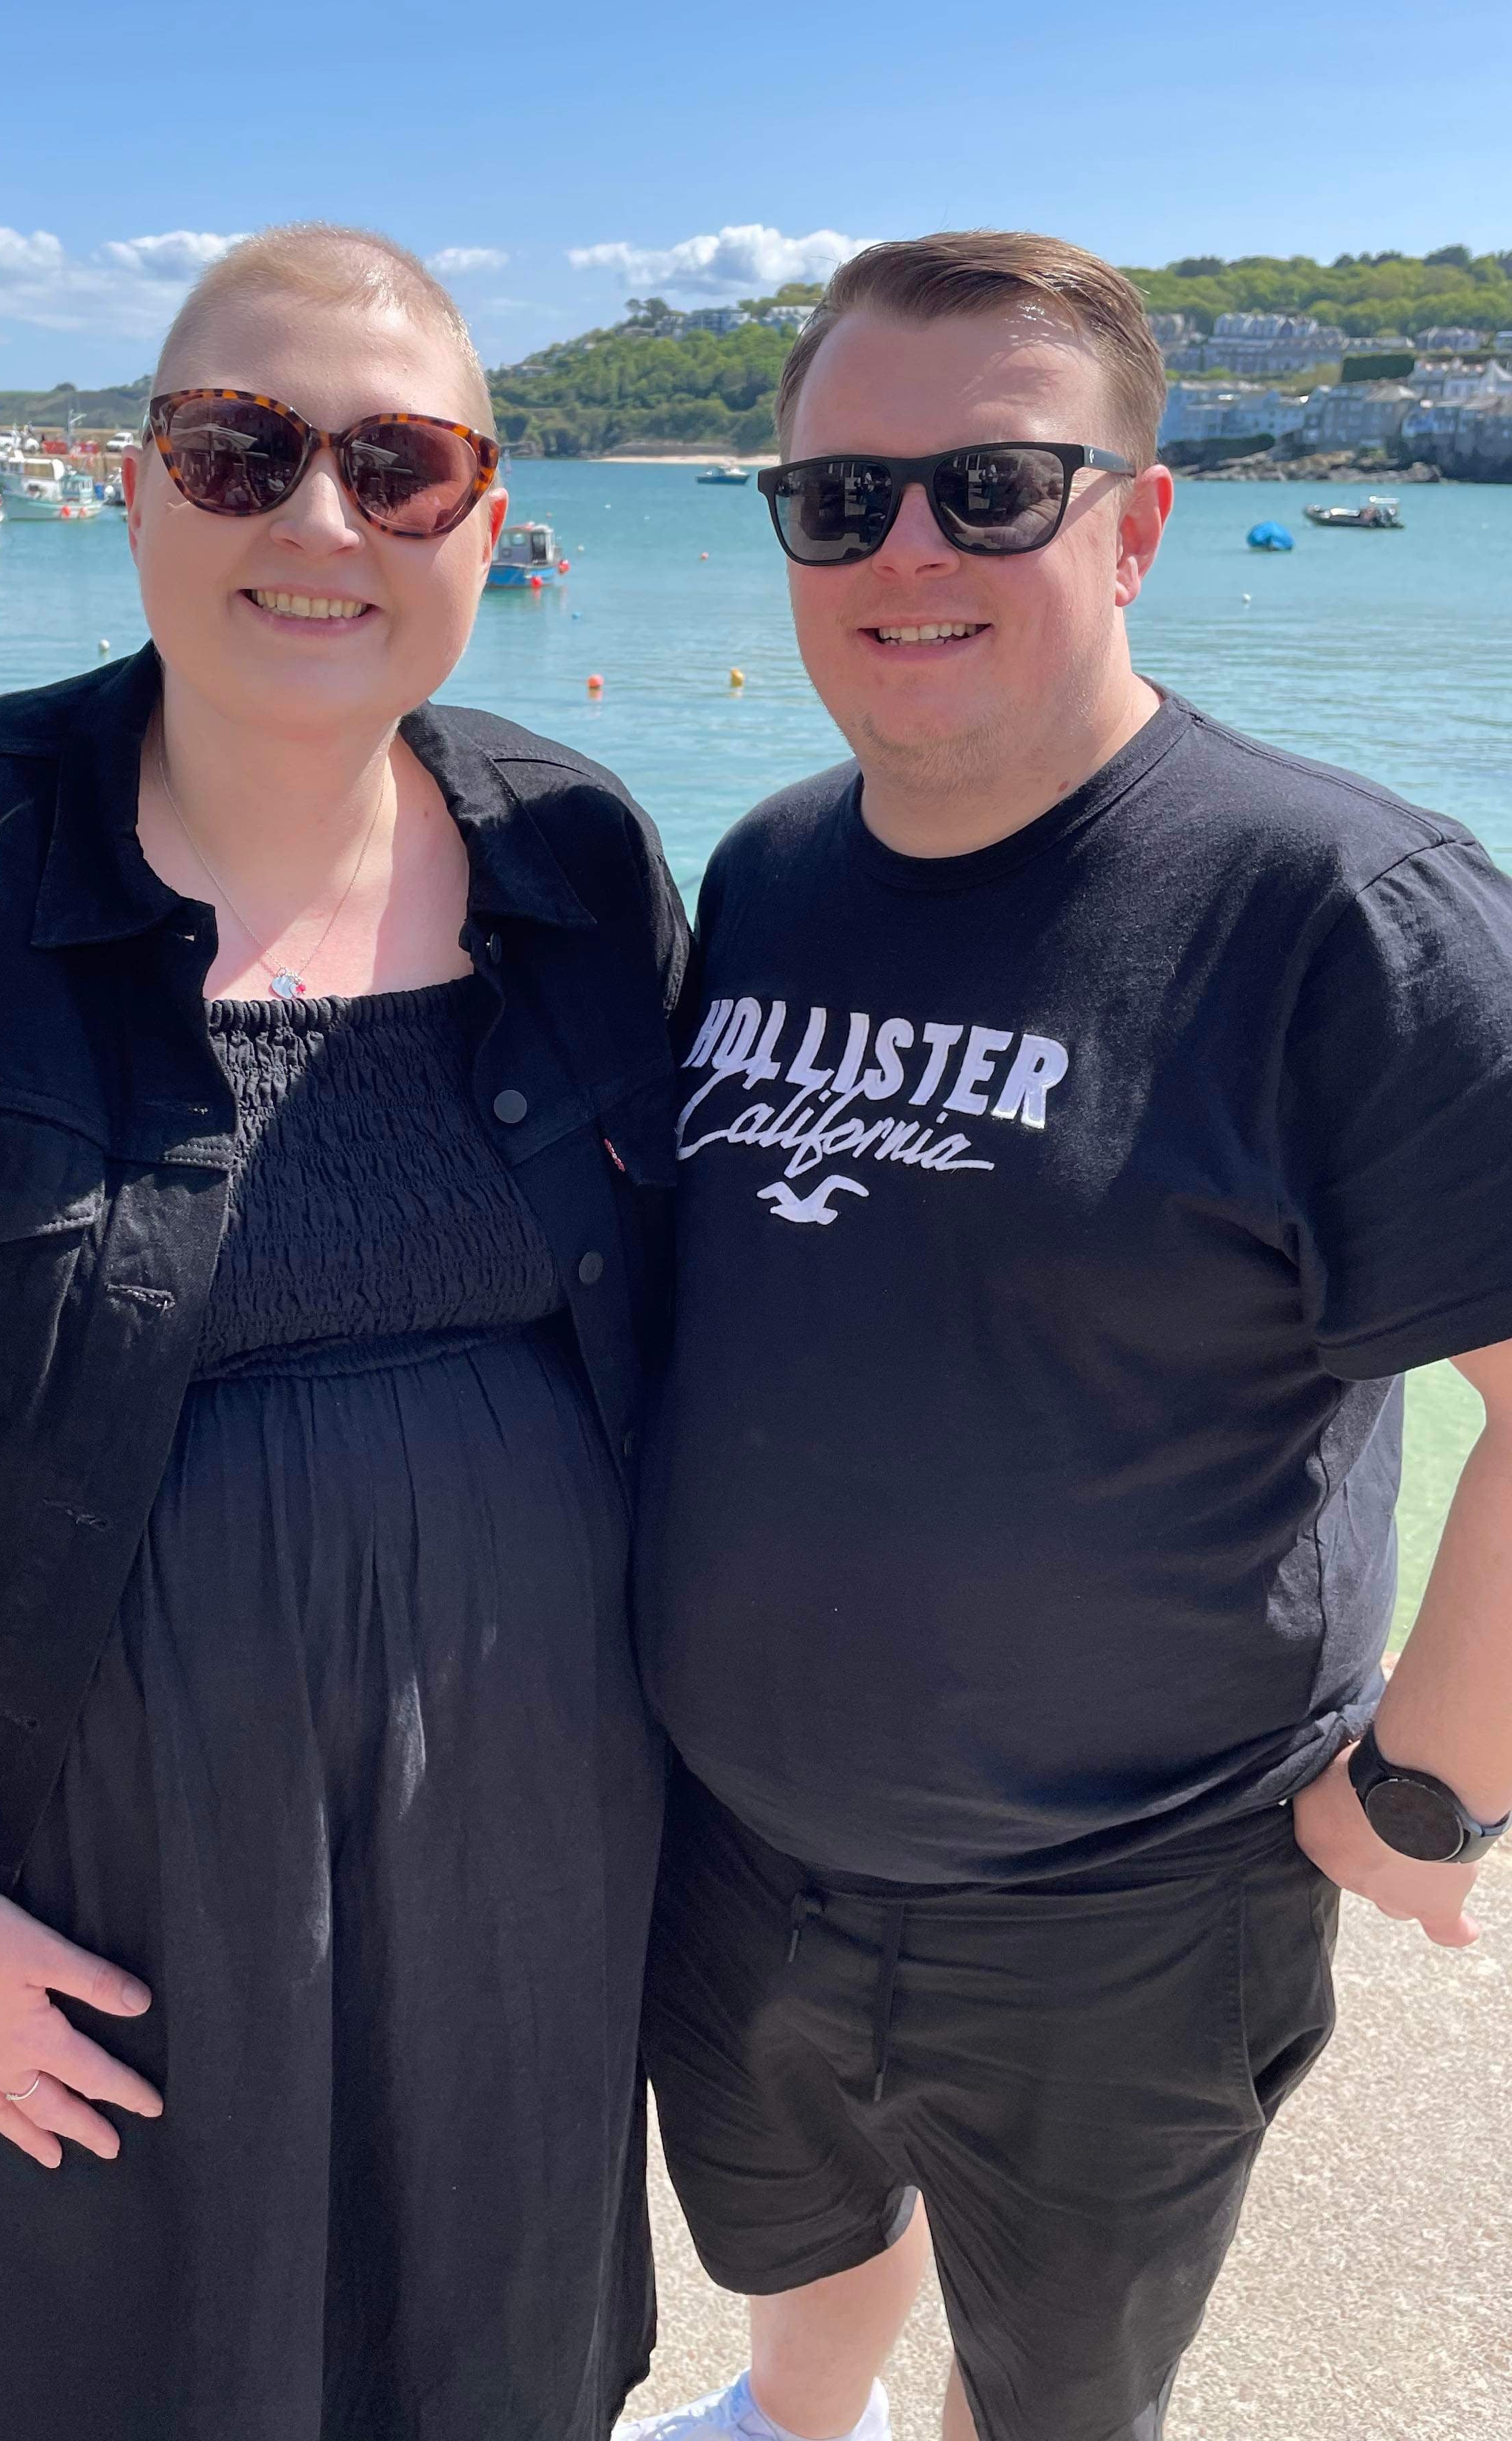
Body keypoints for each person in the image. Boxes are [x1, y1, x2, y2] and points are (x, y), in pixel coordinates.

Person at [0, 225, 687, 2441]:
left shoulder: (580, 865)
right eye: (238, 449)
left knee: (481, 2370)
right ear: (131, 487)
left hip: (525, 1881)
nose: (316, 521)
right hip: (56, 1891)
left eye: (399, 466)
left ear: (483, 517)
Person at [626, 230, 1512, 2441]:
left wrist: (1430, 1792)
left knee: (1060, 2383)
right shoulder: (764, 869)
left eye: (994, 489)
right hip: (736, 1829)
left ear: (1136, 522)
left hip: (1128, 1905)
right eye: (841, 499)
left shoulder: (1348, 915)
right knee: (793, 2226)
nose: (905, 548)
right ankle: (786, 2422)